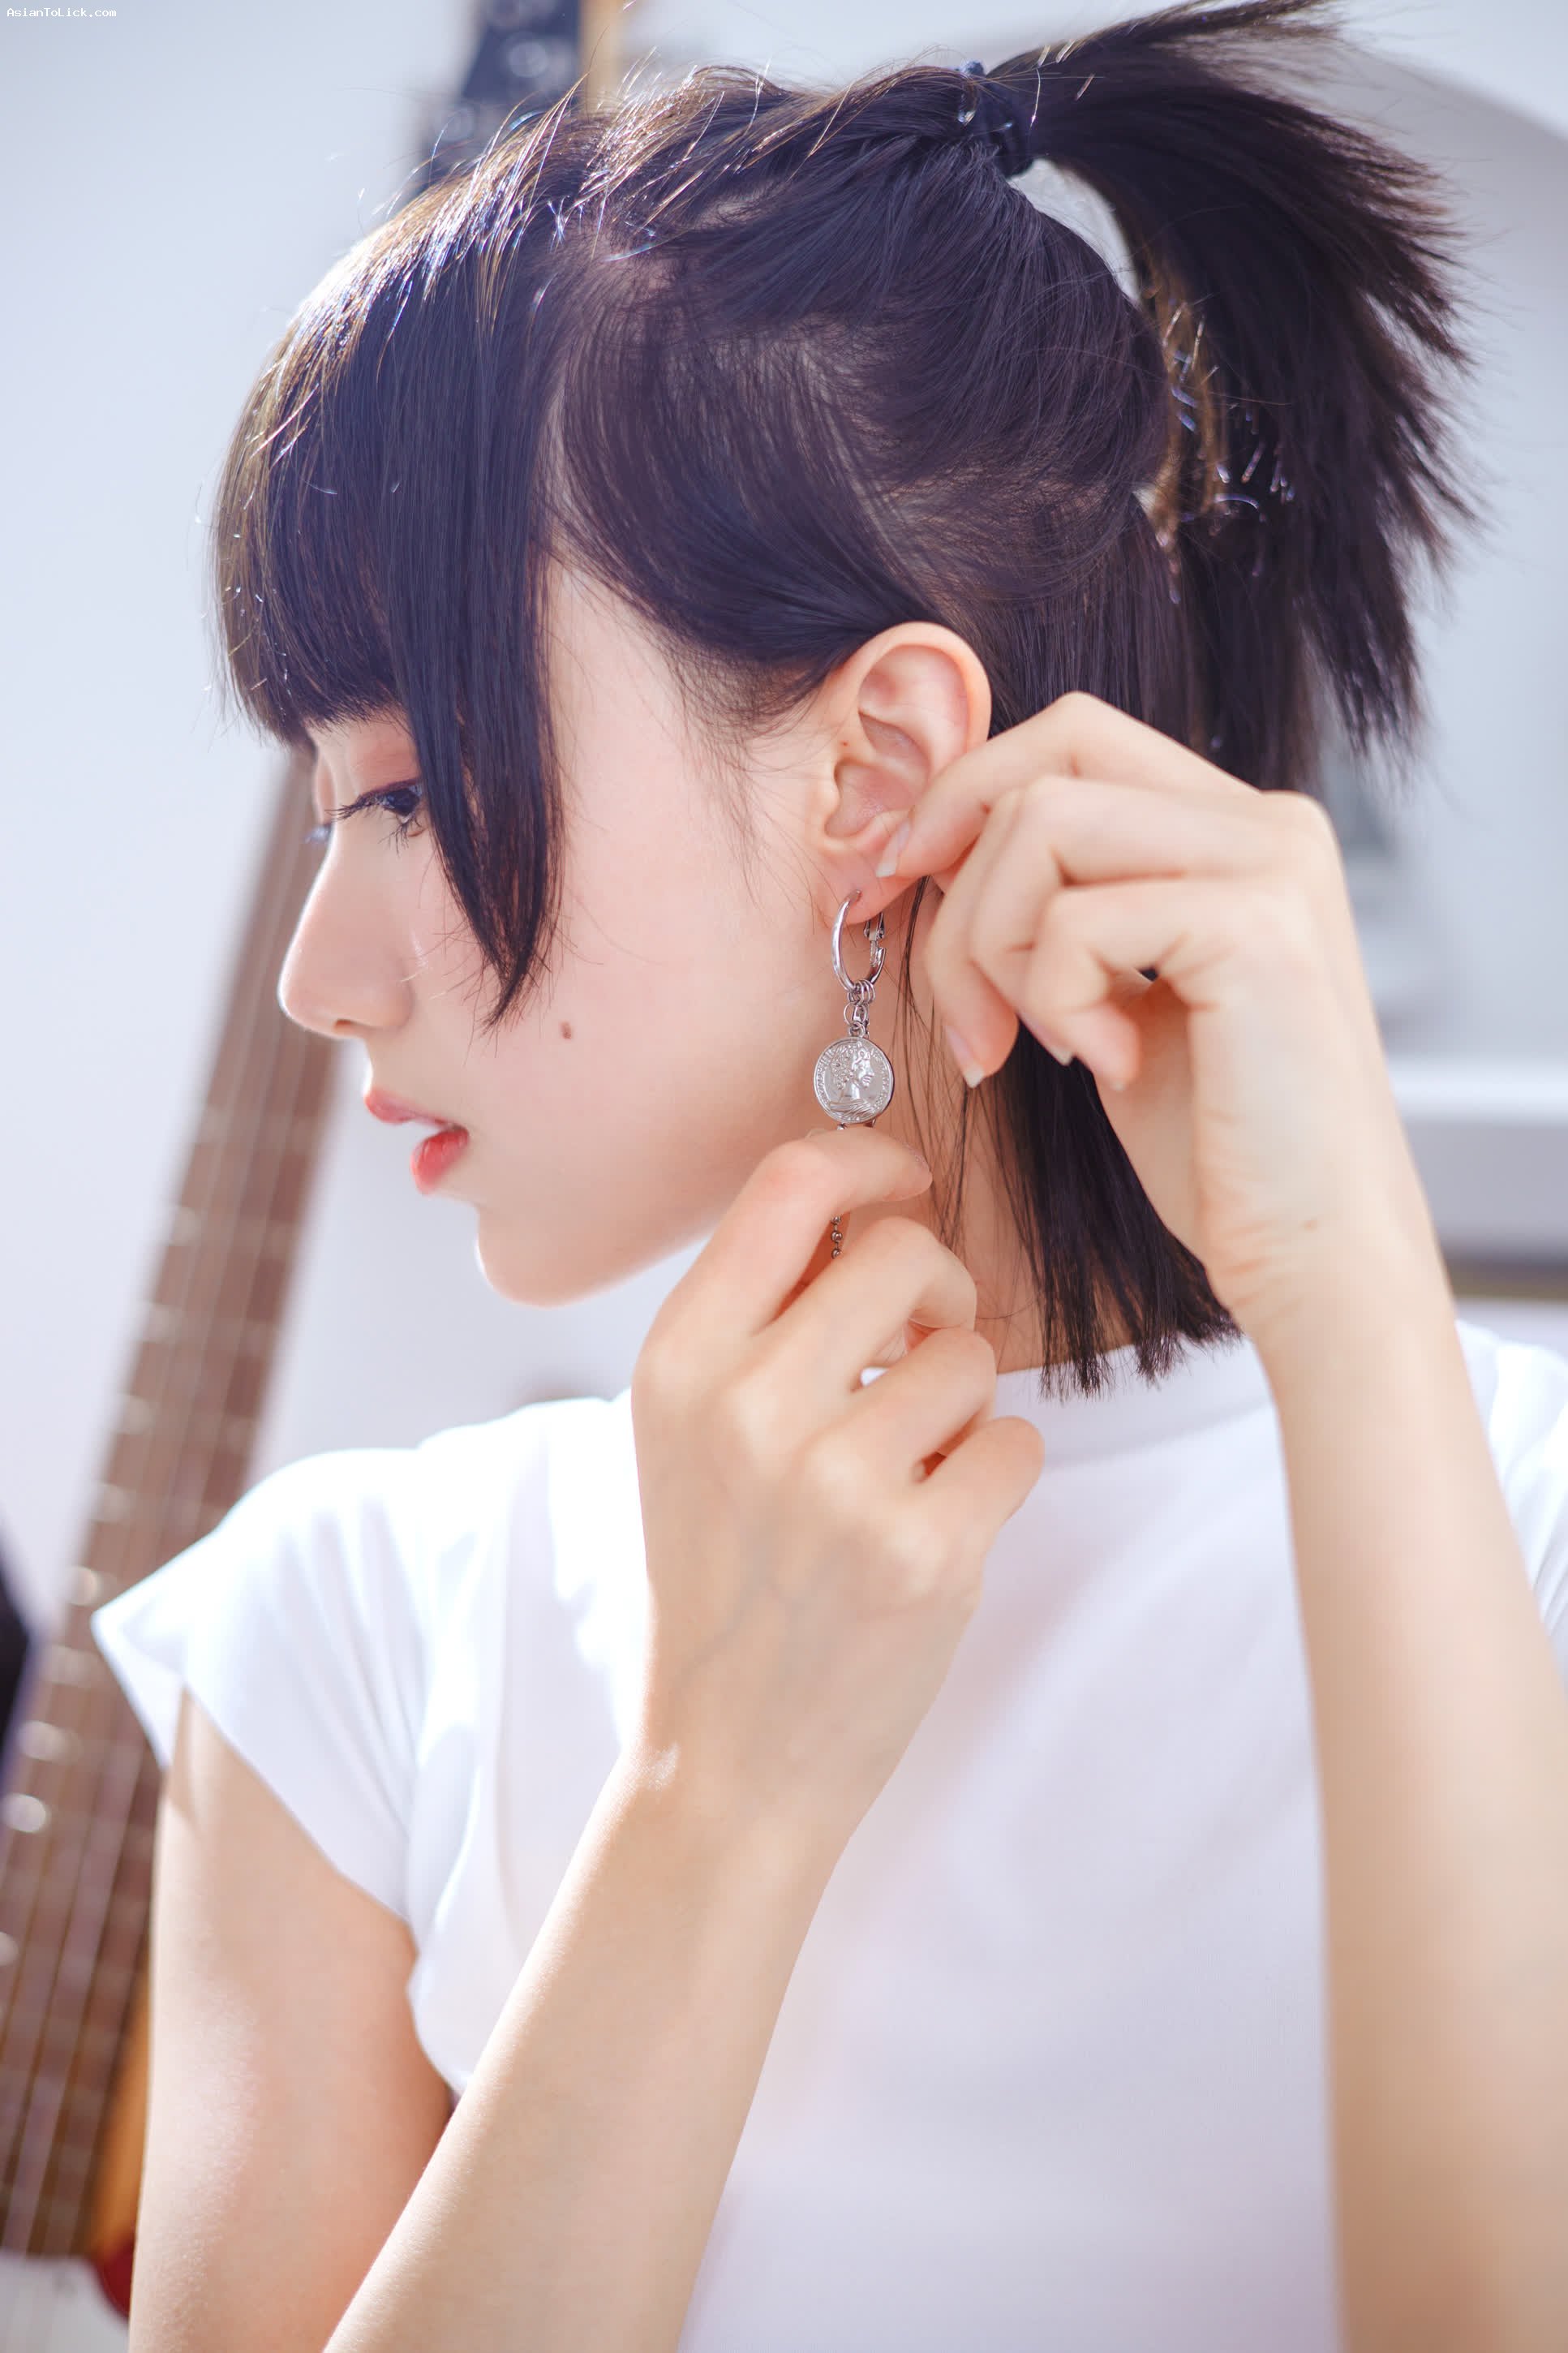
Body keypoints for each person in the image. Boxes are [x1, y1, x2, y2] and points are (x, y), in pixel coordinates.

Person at [90, 3, 1568, 2349]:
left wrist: (1356, 1303)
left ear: (874, 768)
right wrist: (712, 1799)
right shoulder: (347, 1632)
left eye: (402, 794)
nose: (316, 974)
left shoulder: (1534, 1534)